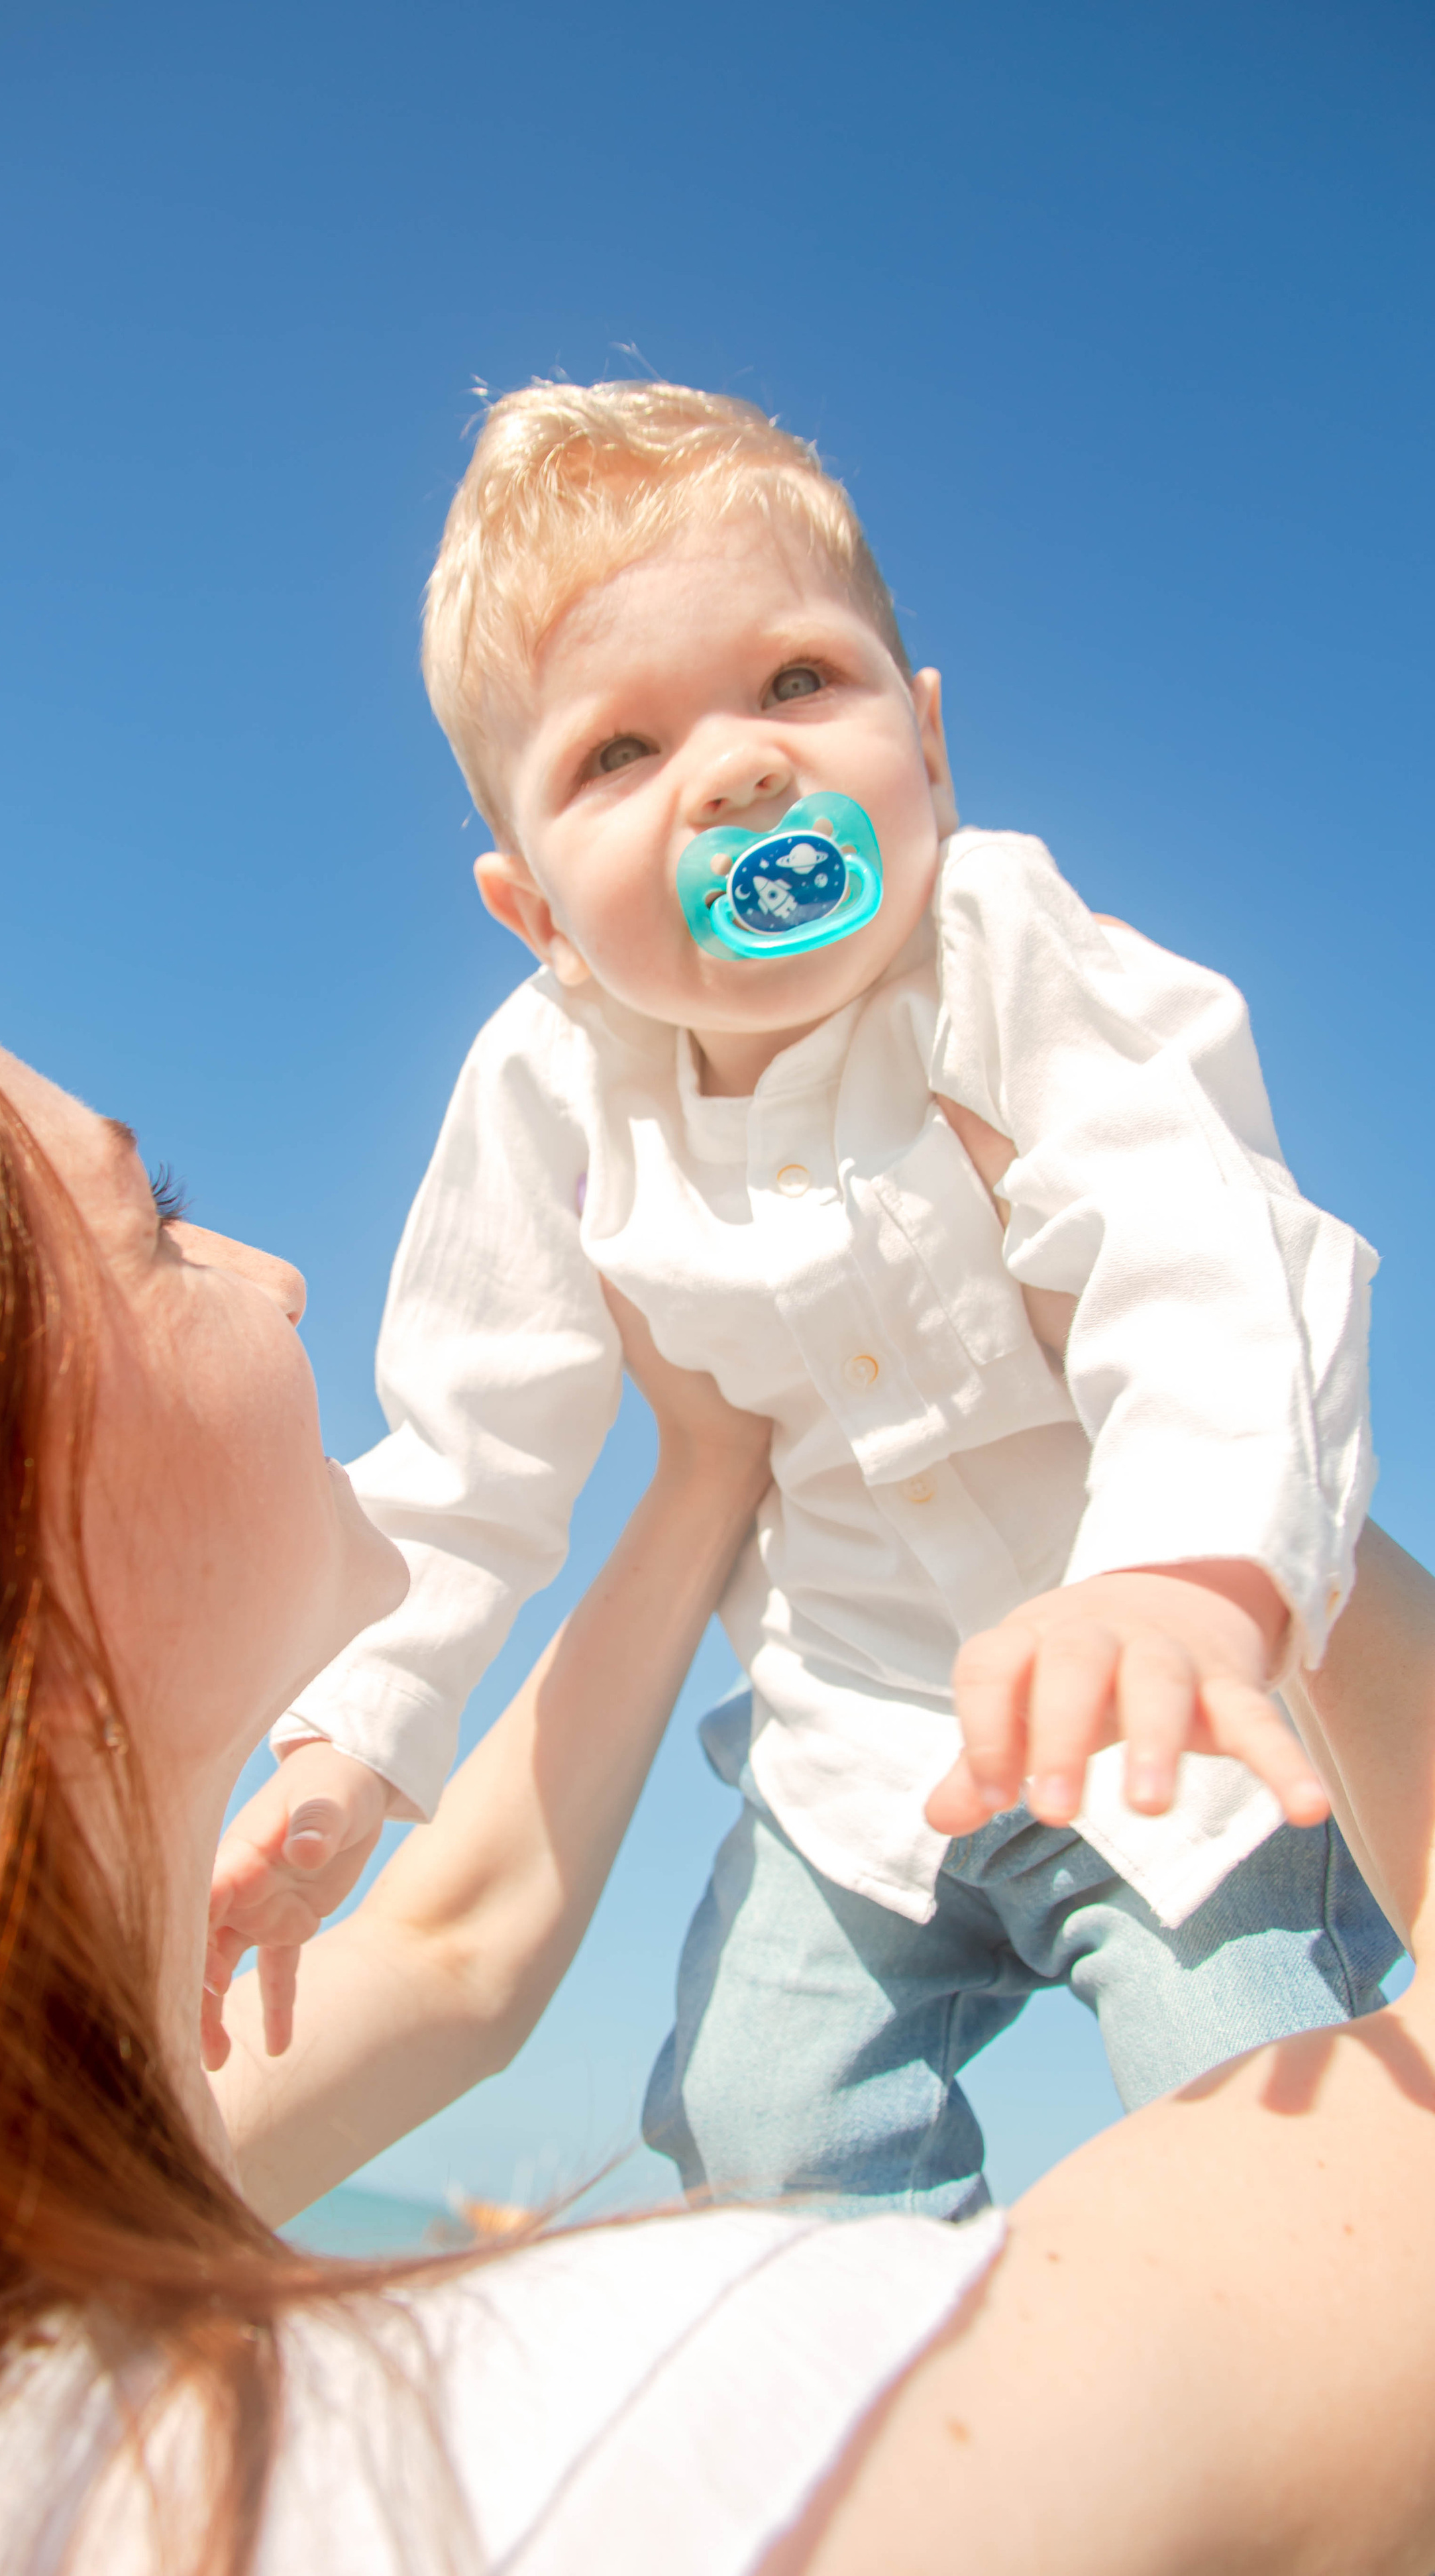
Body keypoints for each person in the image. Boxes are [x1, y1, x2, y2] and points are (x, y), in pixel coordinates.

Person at [0, 904, 1435, 2575]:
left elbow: (457, 1952)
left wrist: (708, 1468)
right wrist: (1222, 1505)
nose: (278, 1268)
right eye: (155, 1220)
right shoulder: (624, 2441)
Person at [212, 376, 1395, 2220]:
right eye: (620, 755)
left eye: (794, 687)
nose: (743, 771)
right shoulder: (549, 1086)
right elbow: (472, 1438)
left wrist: (1185, 1571)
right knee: (760, 2142)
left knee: (1263, 2131)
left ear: (924, 745)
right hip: (845, 1745)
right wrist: (347, 1743)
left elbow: (1204, 1252)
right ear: (534, 911)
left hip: (1148, 1700)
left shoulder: (1000, 949)